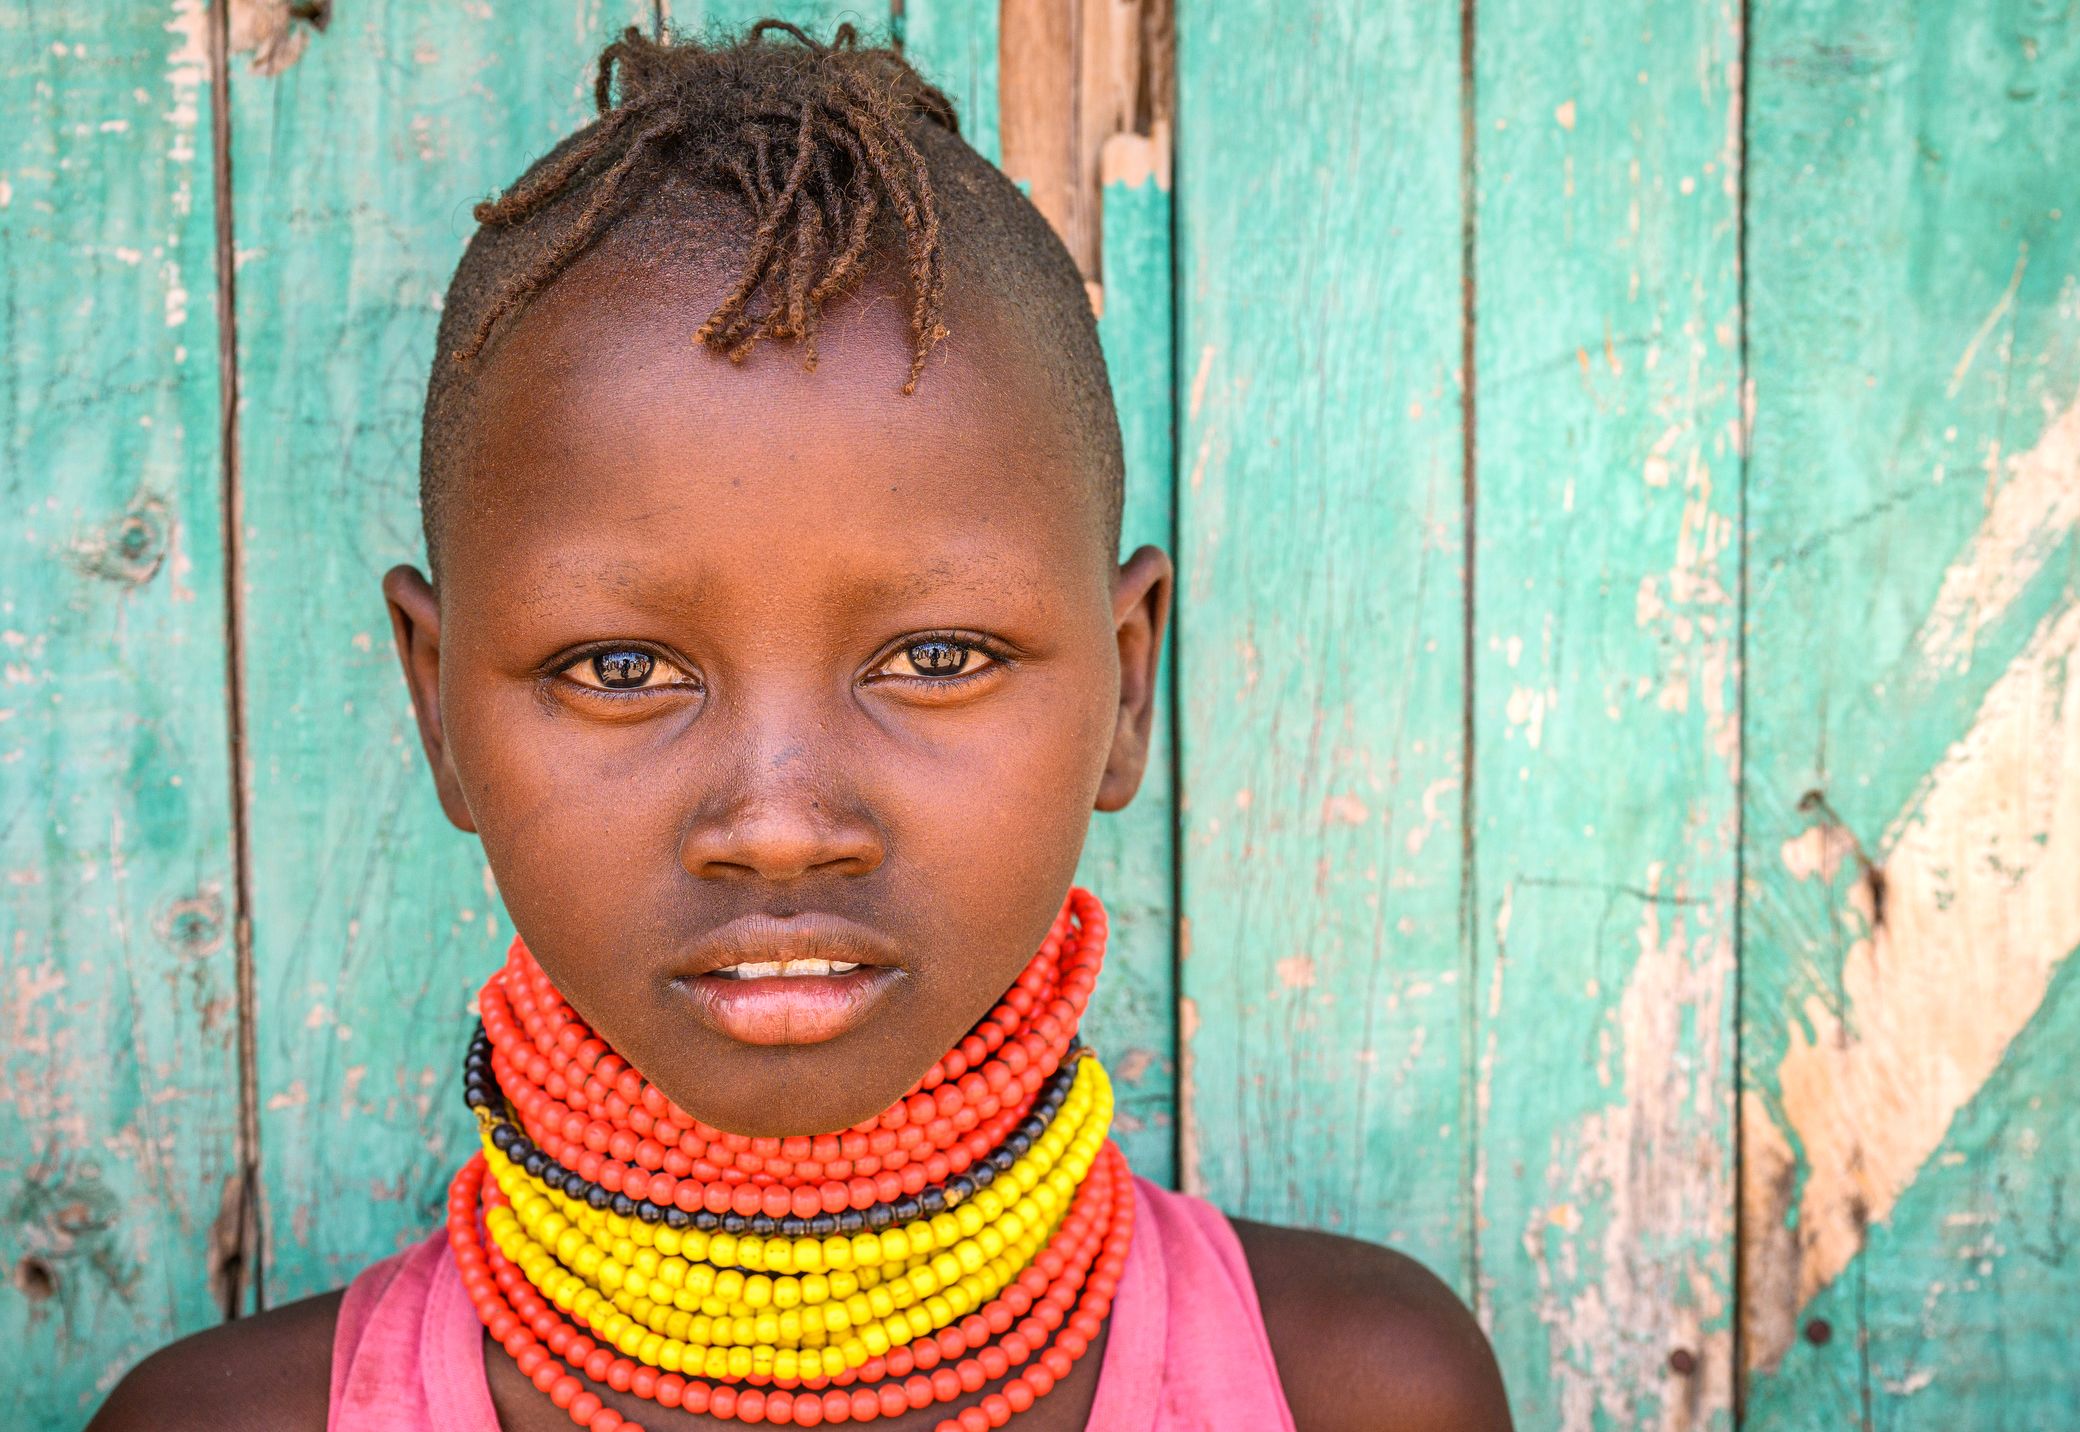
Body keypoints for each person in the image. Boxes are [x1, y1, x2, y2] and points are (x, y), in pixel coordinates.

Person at [91, 21, 1506, 1432]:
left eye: (937, 655)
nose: (776, 825)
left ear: (1128, 687)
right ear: (438, 707)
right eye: (621, 668)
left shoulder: (1358, 1394)